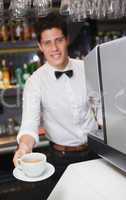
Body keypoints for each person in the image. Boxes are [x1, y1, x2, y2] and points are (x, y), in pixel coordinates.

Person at [13, 12, 102, 199]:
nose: (54, 48)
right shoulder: (35, 82)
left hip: (97, 152)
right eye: (47, 43)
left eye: (58, 40)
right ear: (40, 46)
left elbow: (100, 107)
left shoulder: (87, 67)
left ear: (66, 40)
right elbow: (30, 125)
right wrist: (24, 148)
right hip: (61, 160)